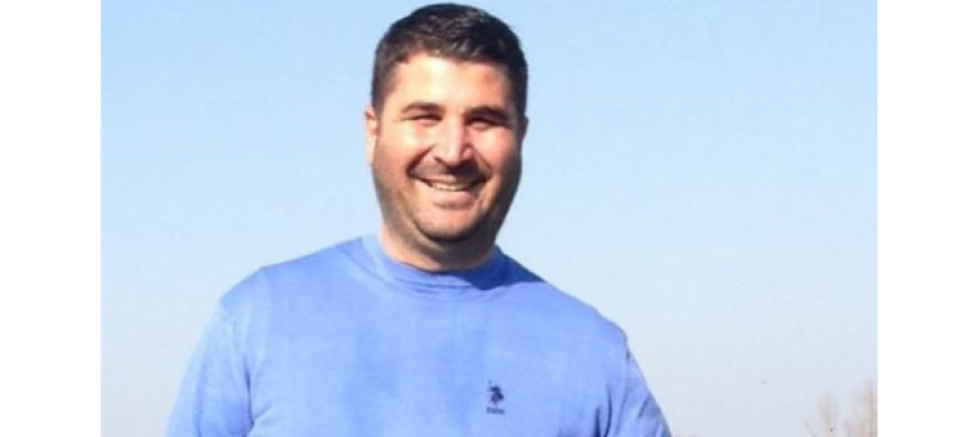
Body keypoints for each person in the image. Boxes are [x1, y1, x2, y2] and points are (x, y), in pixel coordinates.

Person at [167, 3, 671, 436]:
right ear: (372, 132)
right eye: (425, 117)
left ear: (521, 137)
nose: (452, 151)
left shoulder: (591, 356)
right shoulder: (256, 321)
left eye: (484, 120)